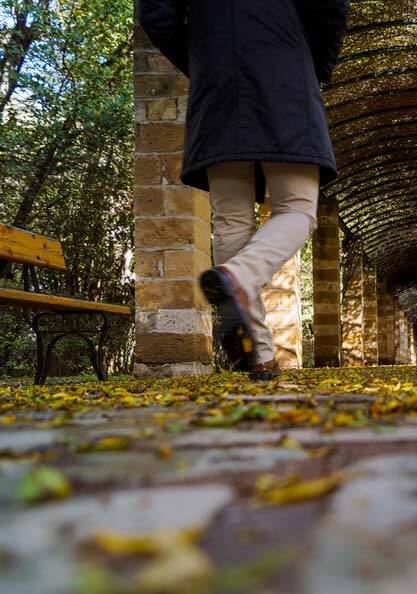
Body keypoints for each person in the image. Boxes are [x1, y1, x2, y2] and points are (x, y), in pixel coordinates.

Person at [138, 0, 350, 380]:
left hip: (215, 78)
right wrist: (311, 63)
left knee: (230, 218)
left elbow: (156, 13)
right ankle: (237, 275)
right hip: (285, 68)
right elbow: (330, 6)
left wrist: (205, 56)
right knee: (298, 208)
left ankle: (260, 355)